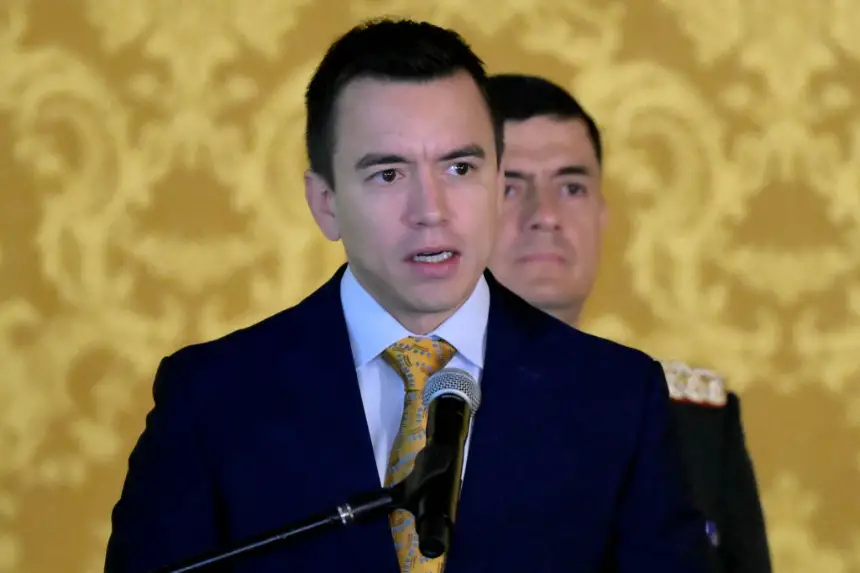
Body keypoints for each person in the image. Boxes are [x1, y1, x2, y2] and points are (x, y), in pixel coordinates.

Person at [104, 19, 711, 573]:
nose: (432, 212)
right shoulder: (212, 401)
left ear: (498, 180)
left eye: (459, 169)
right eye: (388, 174)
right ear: (326, 202)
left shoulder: (616, 398)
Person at [486, 72, 773, 573]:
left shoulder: (691, 422)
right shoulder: (376, 407)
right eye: (511, 188)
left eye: (571, 187)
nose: (546, 215)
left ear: (601, 214)